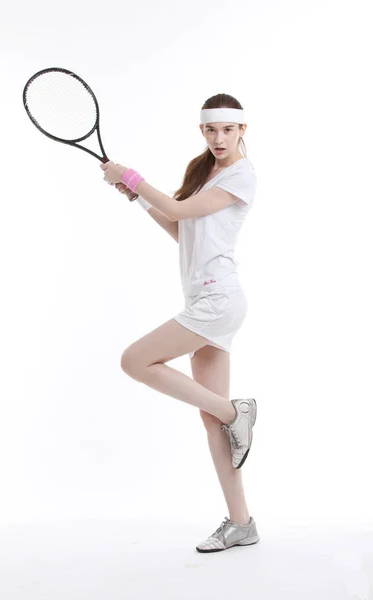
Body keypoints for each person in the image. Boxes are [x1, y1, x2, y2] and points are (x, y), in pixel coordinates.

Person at [100, 93, 260, 553]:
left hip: (217, 300)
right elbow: (180, 230)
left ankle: (238, 413)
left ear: (242, 131)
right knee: (212, 422)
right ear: (202, 131)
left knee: (134, 360)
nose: (219, 138)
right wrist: (137, 198)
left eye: (228, 130)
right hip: (206, 297)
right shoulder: (202, 171)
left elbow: (181, 211)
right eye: (211, 130)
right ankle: (241, 522)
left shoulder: (242, 174)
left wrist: (133, 177)